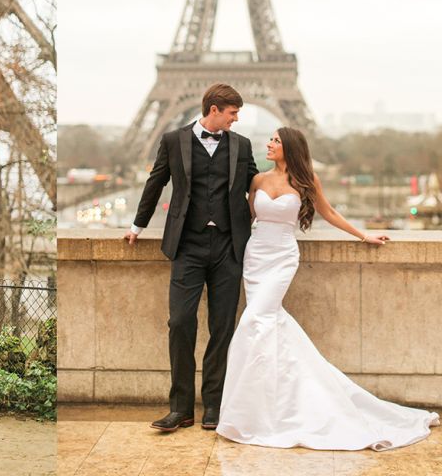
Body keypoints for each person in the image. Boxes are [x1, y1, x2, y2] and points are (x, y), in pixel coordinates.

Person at [217, 127, 439, 450]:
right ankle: (268, 406)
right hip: (256, 258)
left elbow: (330, 212)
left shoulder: (305, 182)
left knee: (255, 322)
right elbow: (245, 218)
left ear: (289, 147)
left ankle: (248, 411)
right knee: (267, 327)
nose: (269, 144)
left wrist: (364, 236)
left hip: (281, 258)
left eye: (276, 141)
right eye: (271, 140)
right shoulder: (258, 181)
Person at [124, 83, 258, 432]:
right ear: (214, 109)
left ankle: (213, 405)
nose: (236, 118)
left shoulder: (241, 145)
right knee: (180, 322)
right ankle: (181, 408)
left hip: (228, 247)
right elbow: (155, 183)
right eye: (232, 113)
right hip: (188, 246)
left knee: (222, 328)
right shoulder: (173, 140)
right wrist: (137, 226)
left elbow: (255, 184)